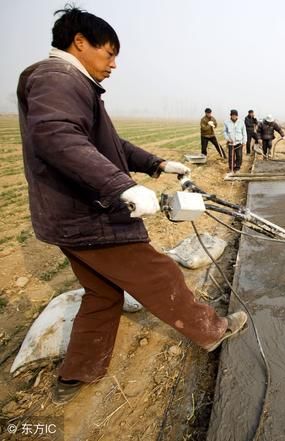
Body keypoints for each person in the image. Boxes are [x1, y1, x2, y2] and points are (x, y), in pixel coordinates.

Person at [17, 6, 247, 404]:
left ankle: (77, 374)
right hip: (88, 214)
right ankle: (212, 331)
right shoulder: (58, 77)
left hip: (66, 219)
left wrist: (155, 164)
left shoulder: (73, 84)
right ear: (80, 42)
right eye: (109, 53)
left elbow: (112, 146)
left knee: (103, 295)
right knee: (161, 274)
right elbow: (57, 139)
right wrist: (121, 186)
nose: (114, 64)